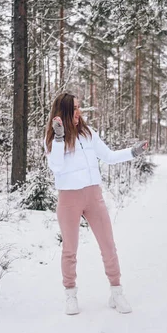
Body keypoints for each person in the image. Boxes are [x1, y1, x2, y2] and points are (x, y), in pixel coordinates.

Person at [45, 92, 147, 315]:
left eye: (79, 107)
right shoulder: (53, 139)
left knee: (108, 245)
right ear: (63, 112)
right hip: (69, 198)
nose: (79, 112)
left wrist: (133, 152)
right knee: (70, 250)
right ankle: (70, 295)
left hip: (93, 195)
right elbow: (56, 167)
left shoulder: (89, 134)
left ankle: (116, 291)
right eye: (75, 109)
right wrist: (60, 139)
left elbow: (109, 156)